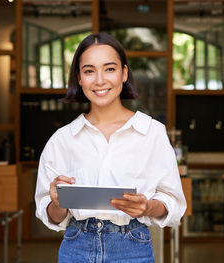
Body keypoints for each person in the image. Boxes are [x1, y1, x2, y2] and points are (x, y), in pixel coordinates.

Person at [34, 32, 187, 263]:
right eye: (89, 71)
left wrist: (147, 207)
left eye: (109, 69)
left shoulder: (152, 132)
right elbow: (52, 217)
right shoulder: (62, 139)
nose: (99, 80)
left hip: (133, 248)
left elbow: (173, 204)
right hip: (76, 248)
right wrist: (57, 203)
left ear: (124, 73)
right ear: (79, 78)